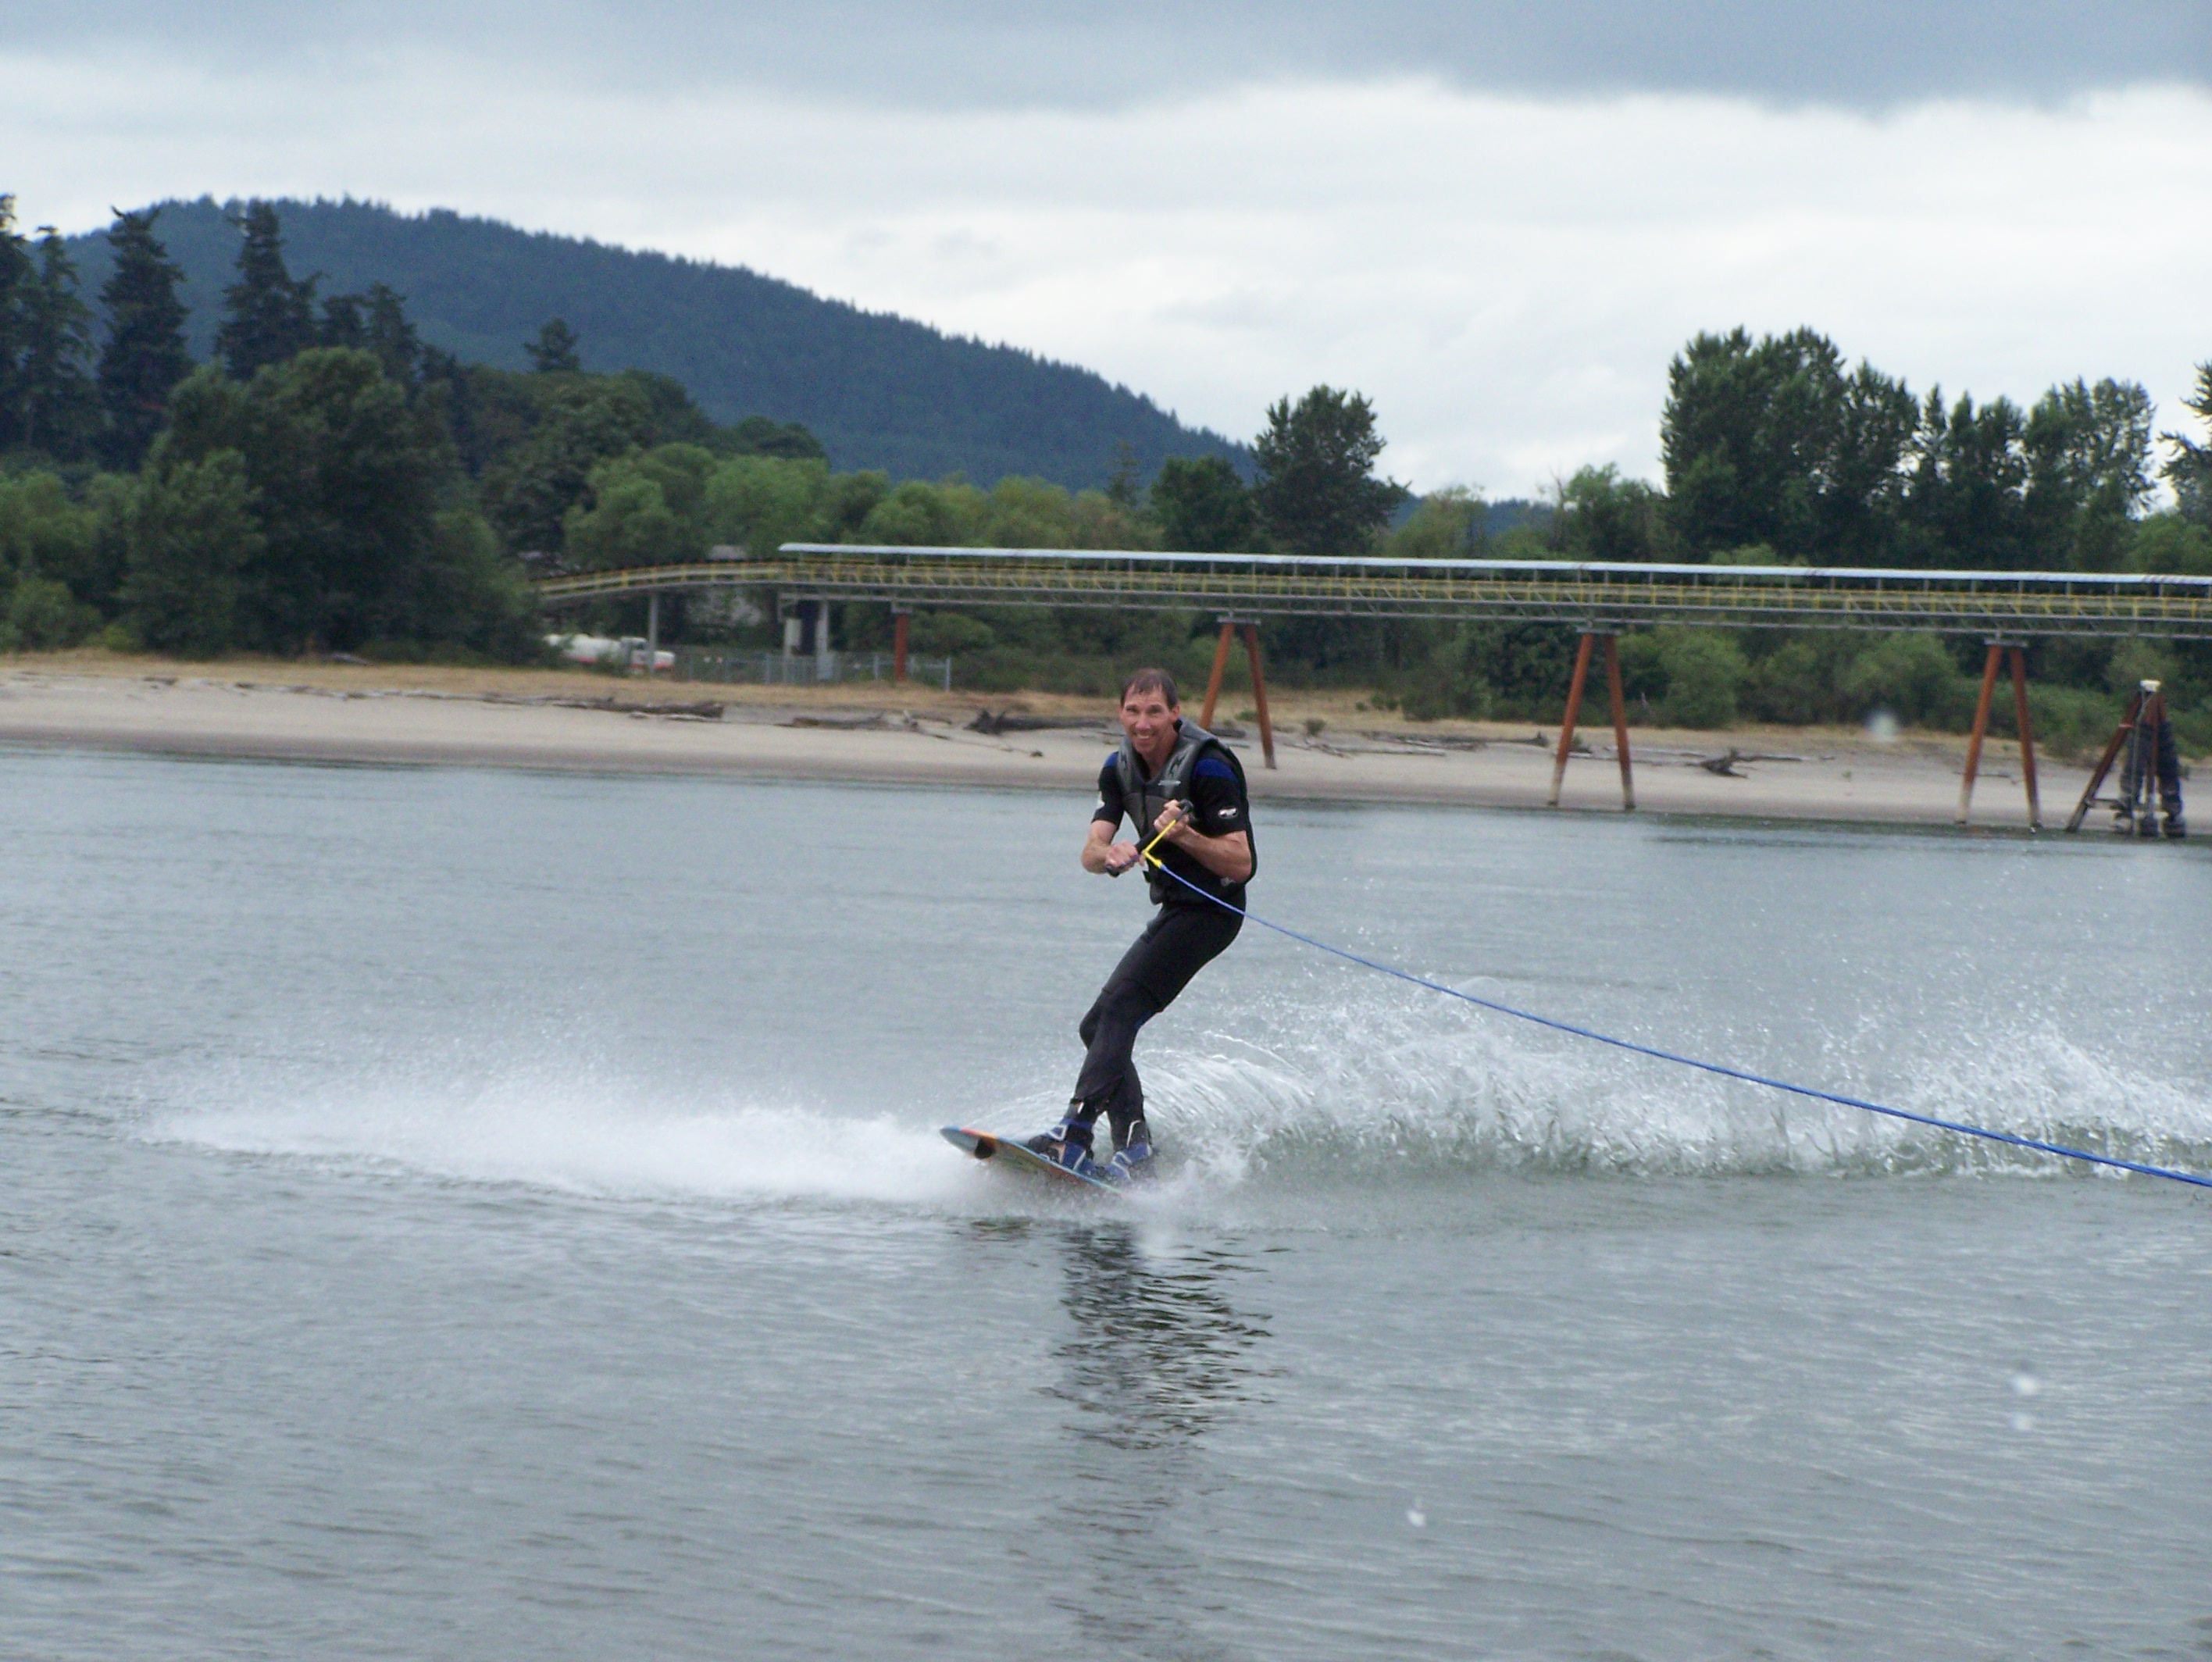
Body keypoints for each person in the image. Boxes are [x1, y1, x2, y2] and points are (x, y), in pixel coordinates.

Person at [1027, 669, 1254, 1183]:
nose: (1143, 723)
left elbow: (1241, 864)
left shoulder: (1210, 768)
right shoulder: (1118, 768)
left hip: (1213, 913)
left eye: (1154, 712)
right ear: (1121, 714)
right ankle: (1135, 1149)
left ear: (1175, 713)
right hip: (1174, 910)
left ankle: (1074, 1135)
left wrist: (1187, 836)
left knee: (1121, 1009)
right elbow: (1090, 853)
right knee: (1097, 1026)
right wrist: (1109, 853)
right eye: (1133, 711)